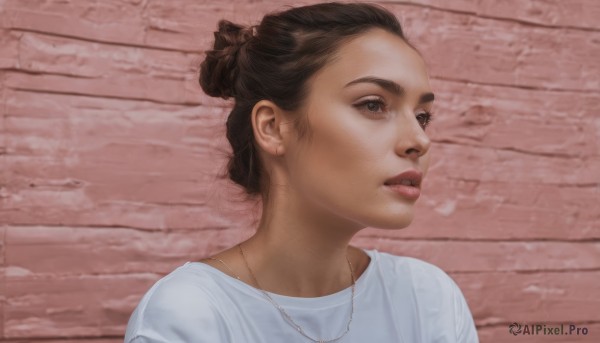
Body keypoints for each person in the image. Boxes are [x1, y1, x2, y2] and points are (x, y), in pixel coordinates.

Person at [124, 1, 479, 342]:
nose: (418, 140)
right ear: (273, 127)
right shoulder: (190, 316)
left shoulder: (427, 299)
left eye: (422, 117)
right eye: (373, 104)